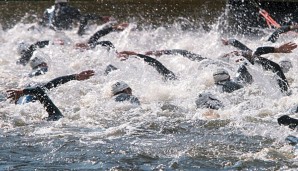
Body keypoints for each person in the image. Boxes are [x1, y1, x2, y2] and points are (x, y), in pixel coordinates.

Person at [7, 70, 95, 121]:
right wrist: (74, 77)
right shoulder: (56, 115)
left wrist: (75, 77)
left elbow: (41, 89)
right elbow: (42, 89)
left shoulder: (21, 111)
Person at [221, 38, 297, 94]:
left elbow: (238, 44)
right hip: (239, 87)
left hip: (232, 85)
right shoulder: (249, 63)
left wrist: (228, 41)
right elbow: (256, 51)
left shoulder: (246, 65)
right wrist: (276, 49)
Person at [39, 0, 112, 35]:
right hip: (66, 34)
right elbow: (84, 18)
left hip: (49, 34)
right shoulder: (69, 9)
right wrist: (100, 18)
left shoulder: (47, 10)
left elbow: (41, 25)